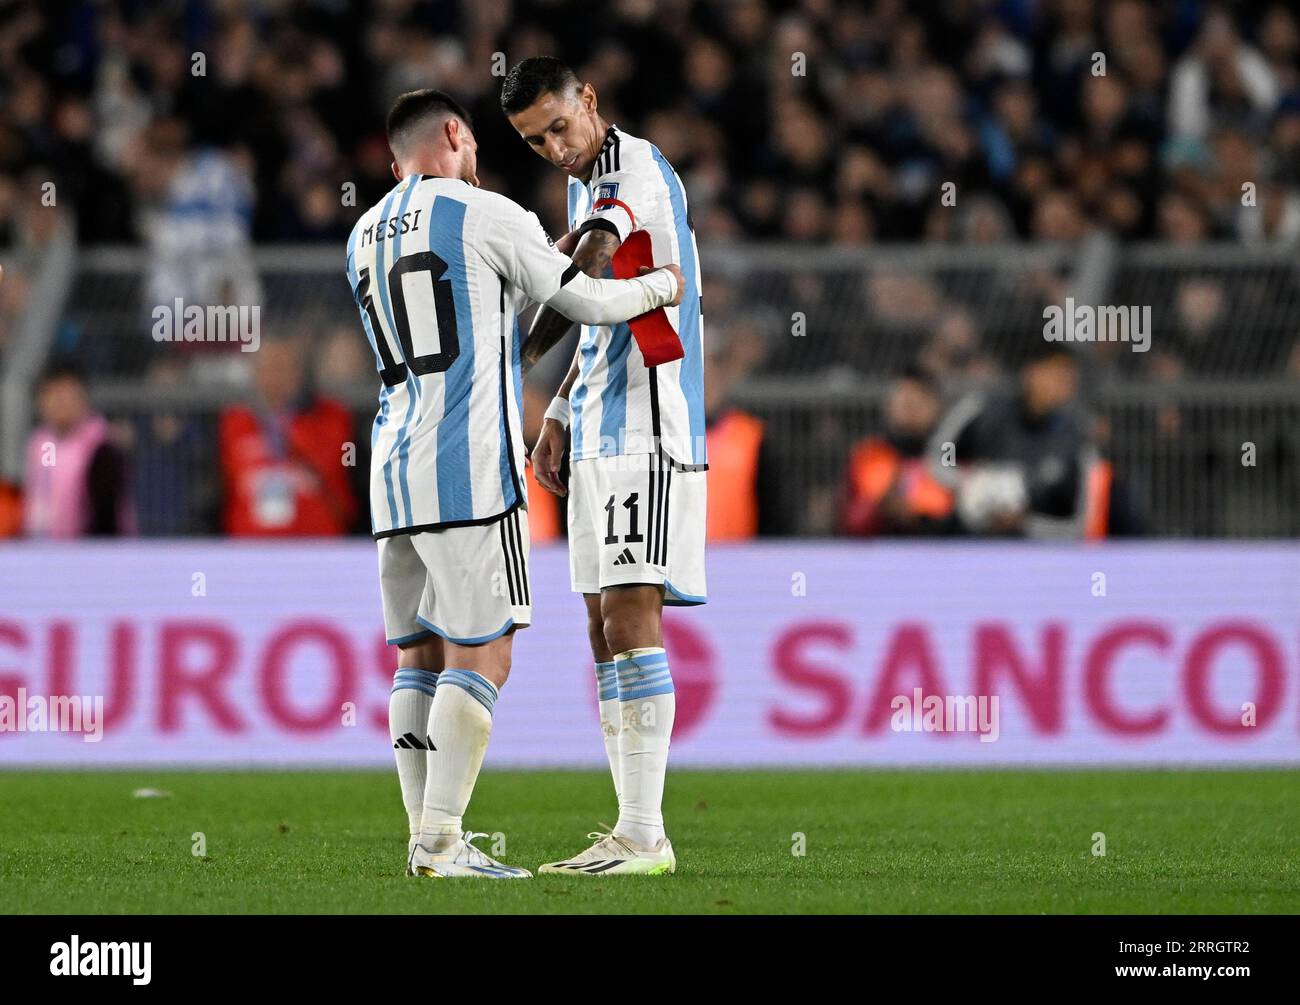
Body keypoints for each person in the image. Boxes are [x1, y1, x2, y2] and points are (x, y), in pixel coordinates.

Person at [347, 89, 683, 879]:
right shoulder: (484, 211)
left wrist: (546, 253)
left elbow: (477, 294)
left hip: (392, 469)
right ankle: (441, 842)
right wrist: (661, 287)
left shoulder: (362, 234)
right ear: (458, 134)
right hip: (466, 465)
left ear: (398, 163)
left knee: (416, 657)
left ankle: (422, 835)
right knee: (484, 652)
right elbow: (588, 300)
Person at [503, 56, 706, 876]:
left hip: (646, 426)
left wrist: (508, 358)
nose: (554, 146)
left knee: (629, 616)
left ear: (589, 99)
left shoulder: (636, 168)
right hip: (595, 424)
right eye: (533, 139)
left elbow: (585, 269)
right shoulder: (581, 184)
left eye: (559, 124)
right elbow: (597, 323)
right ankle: (630, 827)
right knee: (598, 626)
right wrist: (554, 411)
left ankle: (645, 833)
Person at [217, 338, 357, 536]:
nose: (275, 377)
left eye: (283, 368)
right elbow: (226, 485)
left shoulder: (332, 417)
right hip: (248, 549)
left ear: (300, 374)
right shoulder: (236, 422)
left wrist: (294, 431)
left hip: (319, 548)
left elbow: (338, 467)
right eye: (267, 368)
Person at [23, 364, 134, 538]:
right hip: (49, 550)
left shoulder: (101, 445)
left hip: (92, 549)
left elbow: (106, 513)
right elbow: (43, 493)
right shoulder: (43, 443)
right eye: (52, 395)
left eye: (67, 395)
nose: (60, 403)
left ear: (83, 399)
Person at [841, 368, 955, 536]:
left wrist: (916, 513)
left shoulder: (948, 450)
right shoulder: (870, 452)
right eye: (904, 402)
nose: (910, 411)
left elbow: (950, 505)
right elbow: (854, 520)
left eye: (918, 402)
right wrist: (882, 505)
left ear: (936, 405)